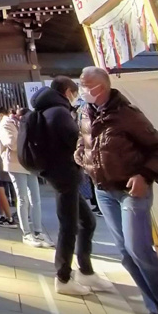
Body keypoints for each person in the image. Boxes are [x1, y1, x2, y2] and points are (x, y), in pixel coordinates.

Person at [76, 66, 158, 310]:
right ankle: (154, 307)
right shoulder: (85, 112)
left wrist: (145, 175)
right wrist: (81, 157)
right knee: (126, 254)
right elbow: (83, 141)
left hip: (131, 191)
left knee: (139, 250)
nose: (82, 89)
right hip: (103, 191)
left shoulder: (127, 114)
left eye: (85, 85)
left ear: (100, 87)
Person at [32, 76, 108, 297]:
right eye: (75, 92)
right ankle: (64, 277)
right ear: (68, 92)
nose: (77, 97)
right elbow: (77, 142)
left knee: (87, 222)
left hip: (60, 174)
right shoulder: (59, 113)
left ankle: (85, 269)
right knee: (70, 226)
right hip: (64, 174)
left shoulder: (47, 110)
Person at [0, 106, 50, 248]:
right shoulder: (7, 123)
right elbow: (13, 143)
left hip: (30, 164)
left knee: (36, 198)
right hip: (15, 163)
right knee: (22, 198)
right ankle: (26, 233)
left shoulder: (26, 123)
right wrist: (27, 134)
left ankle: (38, 231)